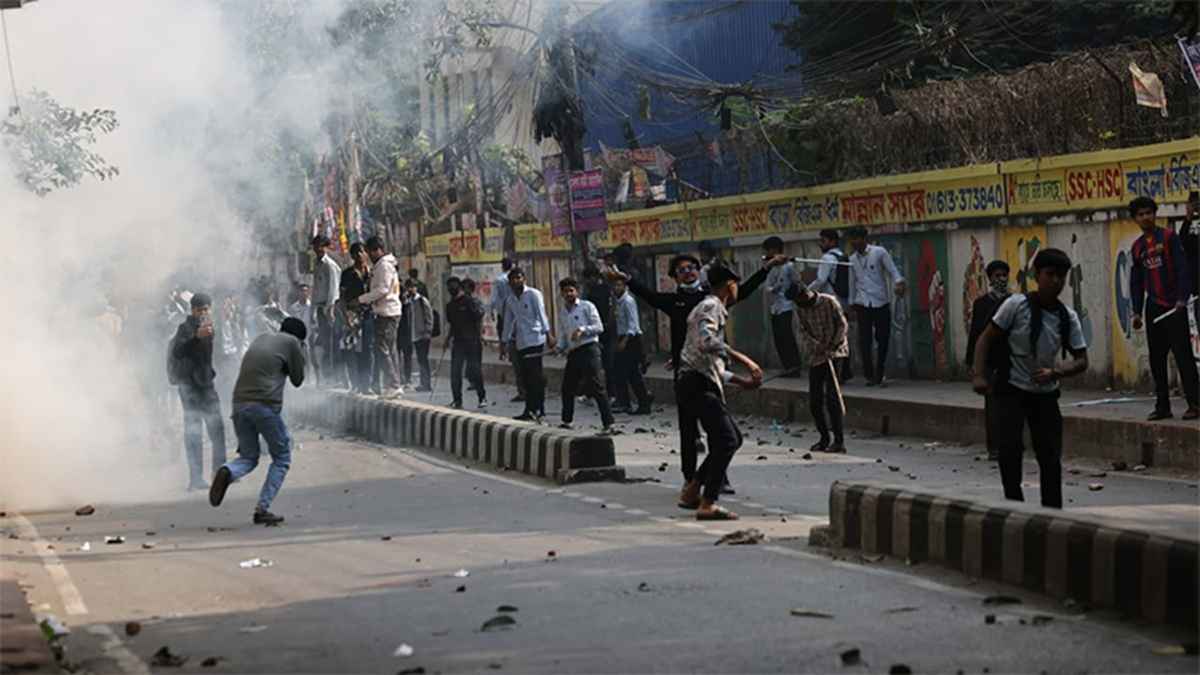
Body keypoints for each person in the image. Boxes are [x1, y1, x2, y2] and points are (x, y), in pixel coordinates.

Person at [612, 251, 775, 494]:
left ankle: (718, 477)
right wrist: (627, 279)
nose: (688, 272)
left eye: (692, 268)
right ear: (675, 278)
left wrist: (765, 269)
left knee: (718, 430)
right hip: (688, 371)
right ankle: (691, 479)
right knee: (690, 430)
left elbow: (744, 290)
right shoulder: (681, 302)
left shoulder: (711, 297)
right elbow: (650, 296)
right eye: (682, 270)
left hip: (712, 369)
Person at [971, 249, 1088, 509]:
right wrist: (979, 375)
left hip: (1045, 393)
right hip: (1011, 388)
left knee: (1049, 456)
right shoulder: (1016, 305)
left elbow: (1082, 360)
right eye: (1050, 275)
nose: (1055, 281)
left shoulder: (1066, 316)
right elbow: (985, 339)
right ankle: (1014, 505)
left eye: (1061, 276)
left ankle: (1052, 510)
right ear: (1037, 275)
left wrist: (1057, 371)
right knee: (1010, 450)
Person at [676, 265, 762, 520]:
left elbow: (709, 364)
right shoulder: (711, 306)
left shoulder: (708, 308)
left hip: (697, 381)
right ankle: (707, 502)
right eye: (736, 284)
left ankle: (693, 489)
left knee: (731, 437)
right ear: (729, 284)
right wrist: (744, 358)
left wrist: (741, 381)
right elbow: (706, 343)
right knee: (726, 440)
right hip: (696, 384)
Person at [209, 317, 307, 526]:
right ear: (299, 339)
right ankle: (262, 508)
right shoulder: (292, 344)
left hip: (239, 404)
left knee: (249, 456)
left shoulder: (262, 338)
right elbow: (298, 380)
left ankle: (228, 470)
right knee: (281, 457)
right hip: (264, 406)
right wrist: (300, 352)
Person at [1128, 196, 1199, 421]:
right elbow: (1136, 281)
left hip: (1174, 307)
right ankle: (1162, 406)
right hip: (1153, 307)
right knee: (1157, 359)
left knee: (1183, 356)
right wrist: (1137, 311)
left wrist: (1181, 298)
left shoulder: (1169, 238)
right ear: (1135, 219)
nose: (1145, 217)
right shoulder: (1137, 247)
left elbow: (1183, 268)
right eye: (1140, 214)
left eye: (1148, 212)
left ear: (1155, 214)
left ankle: (1196, 404)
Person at [170, 292, 227, 491]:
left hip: (207, 385)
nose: (203, 312)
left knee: (217, 429)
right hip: (189, 388)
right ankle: (195, 478)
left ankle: (220, 472)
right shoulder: (185, 328)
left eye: (206, 309)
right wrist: (196, 337)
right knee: (193, 433)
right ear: (193, 310)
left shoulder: (210, 328)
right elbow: (178, 351)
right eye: (200, 309)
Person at [788, 285, 849, 454]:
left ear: (806, 294)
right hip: (816, 355)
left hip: (835, 353)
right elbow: (802, 332)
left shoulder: (829, 302)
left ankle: (839, 441)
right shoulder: (799, 309)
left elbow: (842, 325)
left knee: (832, 397)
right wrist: (816, 346)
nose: (799, 304)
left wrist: (831, 345)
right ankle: (824, 438)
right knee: (815, 400)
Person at [965, 260, 1014, 461]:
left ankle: (1009, 444)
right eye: (997, 276)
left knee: (1011, 406)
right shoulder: (982, 304)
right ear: (990, 278)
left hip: (1010, 360)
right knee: (993, 407)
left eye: (1004, 275)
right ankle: (994, 447)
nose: (1001, 279)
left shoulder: (1014, 301)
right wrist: (973, 364)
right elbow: (976, 334)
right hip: (990, 362)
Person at [554, 278, 616, 433]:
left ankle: (609, 424)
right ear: (561, 293)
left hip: (589, 349)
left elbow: (599, 327)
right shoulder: (562, 312)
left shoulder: (587, 307)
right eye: (565, 291)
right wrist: (560, 347)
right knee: (567, 388)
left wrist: (583, 330)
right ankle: (567, 421)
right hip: (574, 352)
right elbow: (563, 334)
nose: (569, 294)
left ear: (577, 291)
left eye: (571, 290)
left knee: (597, 386)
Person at [848, 226, 906, 387]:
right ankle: (869, 374)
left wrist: (899, 282)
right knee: (864, 340)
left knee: (883, 339)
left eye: (857, 239)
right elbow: (852, 282)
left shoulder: (879, 252)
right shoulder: (852, 259)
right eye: (852, 240)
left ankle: (879, 372)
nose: (854, 242)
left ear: (864, 239)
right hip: (862, 303)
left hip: (880, 301)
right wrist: (852, 303)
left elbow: (893, 271)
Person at [501, 267, 551, 421]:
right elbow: (508, 322)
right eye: (513, 279)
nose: (516, 281)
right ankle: (529, 409)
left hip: (535, 339)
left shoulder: (533, 294)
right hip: (521, 342)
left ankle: (539, 409)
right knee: (525, 377)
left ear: (524, 279)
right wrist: (504, 342)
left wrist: (548, 334)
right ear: (509, 282)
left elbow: (541, 314)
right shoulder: (510, 300)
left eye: (519, 278)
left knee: (535, 376)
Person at [358, 237, 404, 398]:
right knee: (389, 350)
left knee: (382, 348)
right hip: (387, 311)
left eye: (370, 252)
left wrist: (361, 299)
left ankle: (394, 384)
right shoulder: (383, 265)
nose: (369, 256)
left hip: (387, 312)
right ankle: (394, 384)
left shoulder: (384, 265)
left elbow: (382, 289)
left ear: (377, 249)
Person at [808, 228, 852, 380]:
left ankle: (837, 373)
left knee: (831, 340)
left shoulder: (827, 258)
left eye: (823, 241)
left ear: (832, 241)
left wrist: (807, 292)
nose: (821, 244)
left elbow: (821, 280)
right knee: (843, 337)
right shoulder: (843, 256)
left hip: (830, 303)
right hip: (843, 302)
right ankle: (845, 371)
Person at [611, 276, 652, 415]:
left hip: (631, 339)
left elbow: (633, 324)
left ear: (624, 286)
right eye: (614, 285)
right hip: (622, 337)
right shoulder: (617, 302)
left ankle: (643, 402)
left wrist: (624, 341)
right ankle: (626, 402)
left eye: (619, 285)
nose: (616, 288)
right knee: (621, 372)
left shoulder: (628, 301)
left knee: (633, 373)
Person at [444, 276, 487, 409]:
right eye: (449, 286)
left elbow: (479, 317)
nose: (452, 288)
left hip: (472, 341)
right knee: (455, 372)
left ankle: (482, 397)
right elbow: (452, 325)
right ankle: (457, 400)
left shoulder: (469, 301)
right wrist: (447, 339)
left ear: (459, 287)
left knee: (475, 371)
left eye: (454, 285)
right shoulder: (450, 306)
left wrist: (480, 336)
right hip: (458, 343)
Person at [763, 236, 802, 374]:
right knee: (778, 337)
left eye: (768, 251)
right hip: (774, 306)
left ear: (774, 250)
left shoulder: (789, 267)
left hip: (786, 305)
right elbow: (766, 286)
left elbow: (797, 281)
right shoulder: (769, 268)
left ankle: (795, 365)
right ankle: (786, 366)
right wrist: (773, 289)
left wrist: (790, 291)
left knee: (787, 336)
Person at [339, 243, 373, 393]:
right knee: (352, 351)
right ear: (353, 256)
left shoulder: (371, 273)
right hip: (352, 315)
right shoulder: (347, 274)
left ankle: (367, 384)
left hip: (368, 314)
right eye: (357, 253)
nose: (360, 255)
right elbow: (342, 297)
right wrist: (346, 316)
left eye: (362, 251)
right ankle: (355, 384)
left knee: (368, 350)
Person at [491, 258, 525, 402]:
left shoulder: (499, 280)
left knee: (519, 361)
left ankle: (524, 391)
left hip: (506, 316)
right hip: (516, 321)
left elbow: (494, 299)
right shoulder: (523, 293)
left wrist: (495, 311)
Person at [311, 235, 341, 387]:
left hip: (329, 308)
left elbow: (333, 289)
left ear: (326, 247)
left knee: (330, 343)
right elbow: (315, 289)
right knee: (324, 342)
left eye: (320, 246)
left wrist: (329, 309)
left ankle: (333, 377)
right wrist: (313, 310)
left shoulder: (330, 265)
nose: (317, 249)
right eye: (315, 246)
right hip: (320, 307)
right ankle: (326, 376)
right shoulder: (317, 264)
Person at [583, 266, 617, 397]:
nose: (587, 282)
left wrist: (606, 325)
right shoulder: (593, 291)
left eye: (588, 279)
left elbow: (610, 310)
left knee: (607, 364)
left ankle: (611, 393)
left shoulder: (602, 290)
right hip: (597, 330)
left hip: (604, 331)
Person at [405, 278, 435, 392]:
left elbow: (429, 317)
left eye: (412, 287)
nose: (410, 289)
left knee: (423, 360)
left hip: (423, 335)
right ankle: (423, 383)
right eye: (408, 287)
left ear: (416, 288)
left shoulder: (422, 301)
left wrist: (428, 331)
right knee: (420, 360)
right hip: (414, 335)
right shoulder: (409, 302)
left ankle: (426, 384)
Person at [396, 286, 414, 386]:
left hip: (408, 335)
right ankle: (401, 378)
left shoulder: (409, 305)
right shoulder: (397, 306)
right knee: (398, 357)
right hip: (399, 334)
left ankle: (407, 378)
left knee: (407, 358)